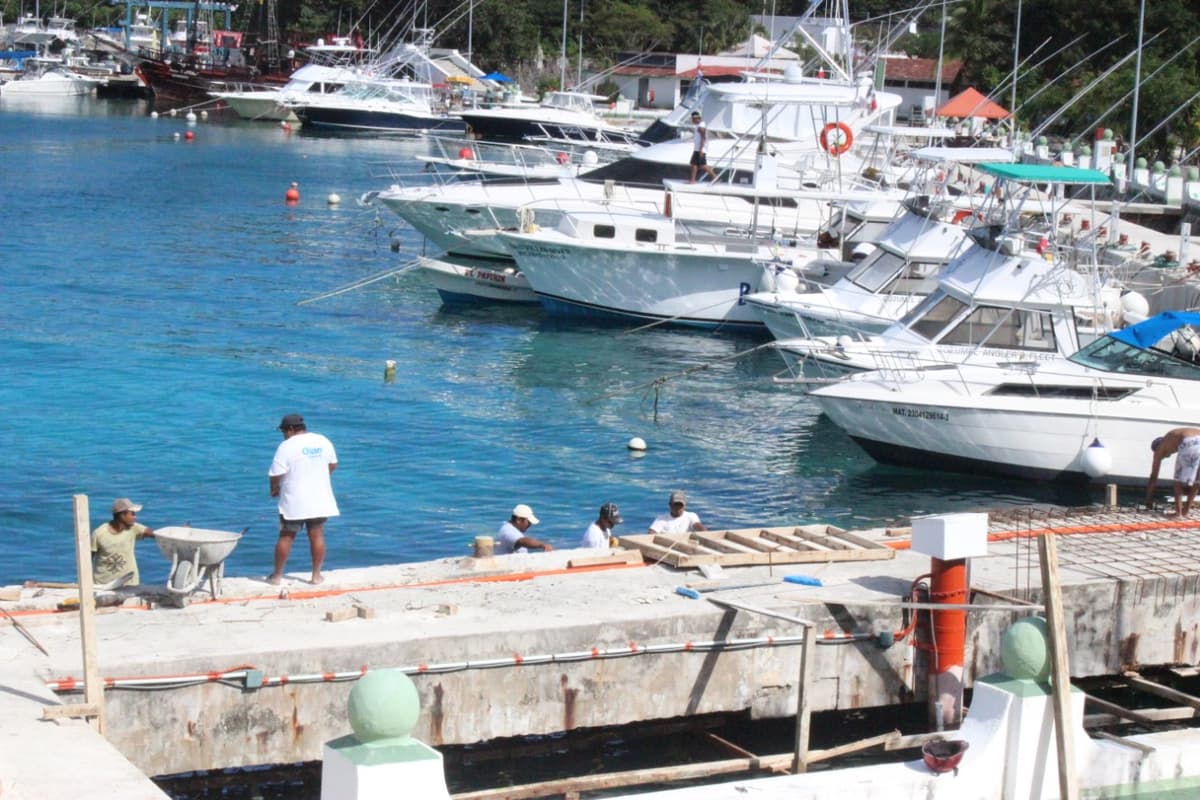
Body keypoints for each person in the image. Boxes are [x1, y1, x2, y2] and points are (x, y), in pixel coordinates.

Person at [268, 413, 338, 585]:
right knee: (317, 535)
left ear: (291, 429)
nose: (283, 434)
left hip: (294, 500)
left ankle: (277, 576)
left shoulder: (286, 446)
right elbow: (333, 464)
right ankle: (316, 576)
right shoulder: (322, 440)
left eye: (284, 431)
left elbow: (276, 473)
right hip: (319, 498)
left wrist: (274, 488)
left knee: (286, 536)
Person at [92, 498, 155, 587]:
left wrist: (178, 531)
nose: (135, 517)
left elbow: (157, 535)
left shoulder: (134, 528)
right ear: (122, 515)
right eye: (132, 514)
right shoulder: (99, 533)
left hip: (129, 584)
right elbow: (87, 559)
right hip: (103, 585)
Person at [1144, 427, 1200, 516]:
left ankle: (1178, 514)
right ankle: (1185, 511)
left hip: (1190, 441)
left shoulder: (1159, 448)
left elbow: (1153, 477)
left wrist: (1148, 500)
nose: (1165, 457)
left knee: (1177, 481)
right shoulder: (1172, 439)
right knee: (1197, 480)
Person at [688, 111, 718, 183]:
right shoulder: (700, 125)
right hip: (697, 148)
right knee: (694, 164)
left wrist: (701, 149)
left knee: (702, 165)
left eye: (693, 119)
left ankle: (715, 176)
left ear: (697, 119)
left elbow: (703, 138)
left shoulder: (701, 126)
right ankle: (692, 180)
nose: (692, 121)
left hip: (700, 149)